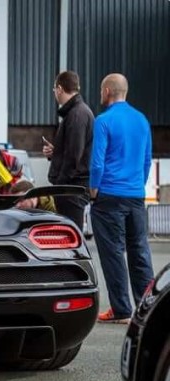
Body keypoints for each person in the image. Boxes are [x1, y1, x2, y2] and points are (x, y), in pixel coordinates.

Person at [89, 73, 154, 325]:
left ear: (107, 91)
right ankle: (148, 307)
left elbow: (97, 161)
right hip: (135, 195)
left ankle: (121, 310)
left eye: (101, 90)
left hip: (109, 195)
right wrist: (138, 184)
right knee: (140, 251)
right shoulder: (142, 120)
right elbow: (146, 160)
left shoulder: (103, 121)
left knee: (113, 253)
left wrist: (94, 189)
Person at [43, 71, 94, 229]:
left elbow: (73, 156)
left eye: (54, 89)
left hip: (71, 190)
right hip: (73, 188)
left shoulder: (76, 114)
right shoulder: (78, 112)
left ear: (59, 89)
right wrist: (56, 153)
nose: (54, 93)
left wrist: (60, 185)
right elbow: (74, 150)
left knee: (70, 235)